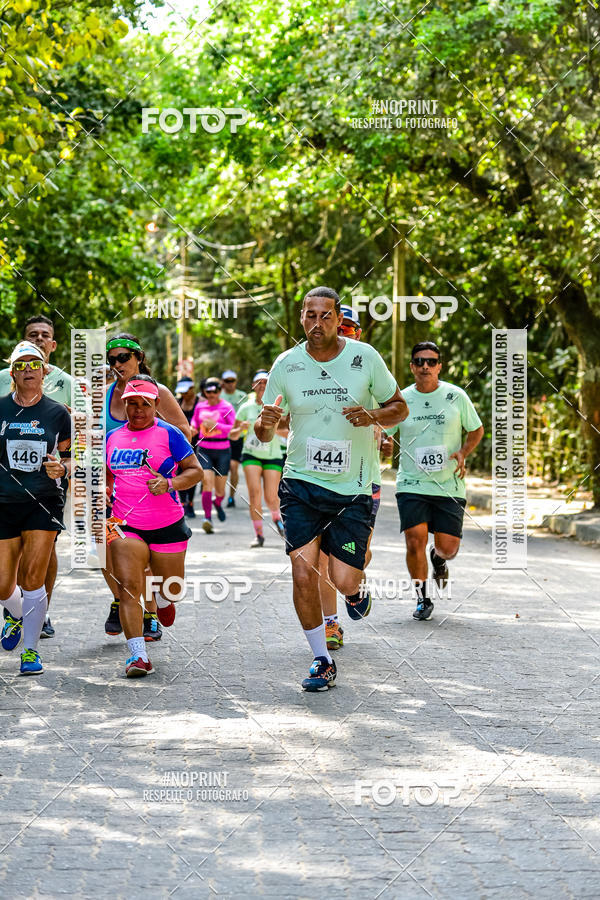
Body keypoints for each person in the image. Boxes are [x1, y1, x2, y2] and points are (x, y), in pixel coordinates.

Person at [255, 286, 408, 692]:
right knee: (303, 572)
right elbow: (262, 427)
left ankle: (354, 593)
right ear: (300, 317)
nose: (316, 323)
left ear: (339, 319)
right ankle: (321, 659)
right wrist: (267, 422)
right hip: (301, 483)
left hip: (353, 487)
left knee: (342, 579)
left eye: (325, 316)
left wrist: (372, 415)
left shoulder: (365, 358)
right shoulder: (287, 364)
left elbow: (399, 407)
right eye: (309, 315)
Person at [105, 375, 203, 677]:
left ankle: (162, 600)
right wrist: (104, 490)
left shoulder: (170, 433)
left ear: (156, 405)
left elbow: (196, 472)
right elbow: (109, 477)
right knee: (129, 587)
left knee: (171, 588)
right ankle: (138, 656)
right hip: (125, 523)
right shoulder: (113, 438)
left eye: (144, 404)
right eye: (131, 404)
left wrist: (170, 482)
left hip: (167, 523)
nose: (137, 410)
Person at [0, 315, 84, 640]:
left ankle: (38, 617)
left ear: (52, 346)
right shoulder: (3, 382)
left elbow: (82, 438)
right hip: (5, 490)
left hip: (46, 488)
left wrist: (66, 466)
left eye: (44, 335)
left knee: (42, 555)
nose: (38, 339)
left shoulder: (68, 384)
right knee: (8, 566)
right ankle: (17, 610)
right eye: (31, 334)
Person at [103, 333, 192, 642]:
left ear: (138, 357)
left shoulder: (159, 392)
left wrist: (165, 469)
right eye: (111, 359)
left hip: (157, 494)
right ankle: (124, 603)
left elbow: (185, 433)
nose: (117, 364)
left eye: (123, 358)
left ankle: (155, 607)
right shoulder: (105, 394)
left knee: (163, 571)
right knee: (107, 554)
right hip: (116, 493)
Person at [386, 341, 483, 621]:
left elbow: (476, 429)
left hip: (449, 485)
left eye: (431, 361)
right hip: (411, 485)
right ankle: (422, 598)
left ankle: (438, 558)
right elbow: (386, 432)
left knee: (448, 548)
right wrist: (383, 443)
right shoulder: (401, 400)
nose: (425, 366)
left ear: (439, 366)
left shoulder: (456, 396)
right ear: (412, 366)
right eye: (419, 361)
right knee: (414, 540)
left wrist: (463, 452)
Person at [318, 305, 384, 652]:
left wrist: (379, 428)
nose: (341, 332)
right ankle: (331, 625)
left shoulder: (370, 369)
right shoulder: (308, 369)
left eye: (349, 328)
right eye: (335, 326)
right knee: (320, 560)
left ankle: (353, 582)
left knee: (356, 557)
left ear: (357, 334)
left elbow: (392, 410)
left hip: (362, 482)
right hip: (316, 483)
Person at [231, 370, 285, 548]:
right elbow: (232, 435)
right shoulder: (246, 407)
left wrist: (271, 430)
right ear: (253, 386)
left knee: (271, 497)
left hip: (273, 455)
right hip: (251, 454)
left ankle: (277, 520)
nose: (262, 385)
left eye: (265, 382)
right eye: (258, 383)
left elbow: (289, 430)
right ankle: (259, 535)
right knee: (254, 494)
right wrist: (242, 429)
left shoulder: (280, 405)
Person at [190, 377, 236, 534]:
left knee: (220, 490)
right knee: (207, 481)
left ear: (220, 391)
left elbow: (233, 428)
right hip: (204, 449)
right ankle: (207, 518)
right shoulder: (200, 406)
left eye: (214, 391)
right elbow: (195, 423)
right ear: (204, 392)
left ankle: (218, 502)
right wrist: (192, 429)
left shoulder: (226, 407)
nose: (211, 394)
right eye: (208, 392)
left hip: (223, 449)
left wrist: (216, 425)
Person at [220, 370, 247, 507]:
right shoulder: (219, 396)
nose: (230, 384)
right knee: (221, 470)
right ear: (223, 383)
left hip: (238, 438)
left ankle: (231, 497)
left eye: (232, 381)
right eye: (227, 381)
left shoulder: (243, 396)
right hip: (222, 438)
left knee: (234, 468)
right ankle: (219, 495)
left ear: (236, 382)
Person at [175, 377, 200, 518]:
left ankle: (190, 501)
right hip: (181, 442)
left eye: (186, 391)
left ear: (192, 389)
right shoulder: (177, 402)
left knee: (193, 470)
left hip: (198, 443)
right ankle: (183, 502)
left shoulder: (200, 402)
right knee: (180, 472)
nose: (184, 394)